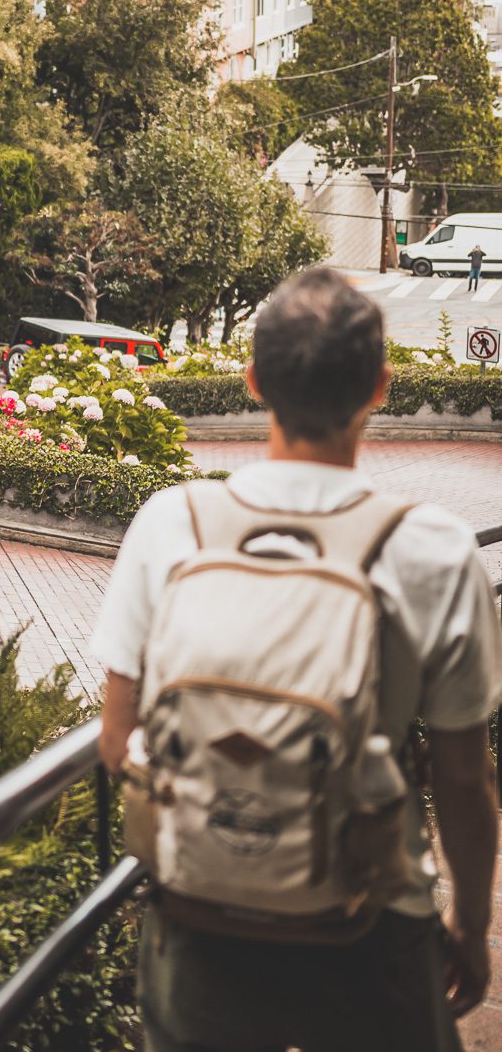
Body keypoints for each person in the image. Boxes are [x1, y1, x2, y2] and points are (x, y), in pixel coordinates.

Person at [95, 267, 502, 1052]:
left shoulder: (170, 524)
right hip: (374, 926)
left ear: (252, 380)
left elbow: (119, 741)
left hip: (202, 923)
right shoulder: (436, 550)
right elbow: (462, 777)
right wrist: (469, 924)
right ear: (381, 386)